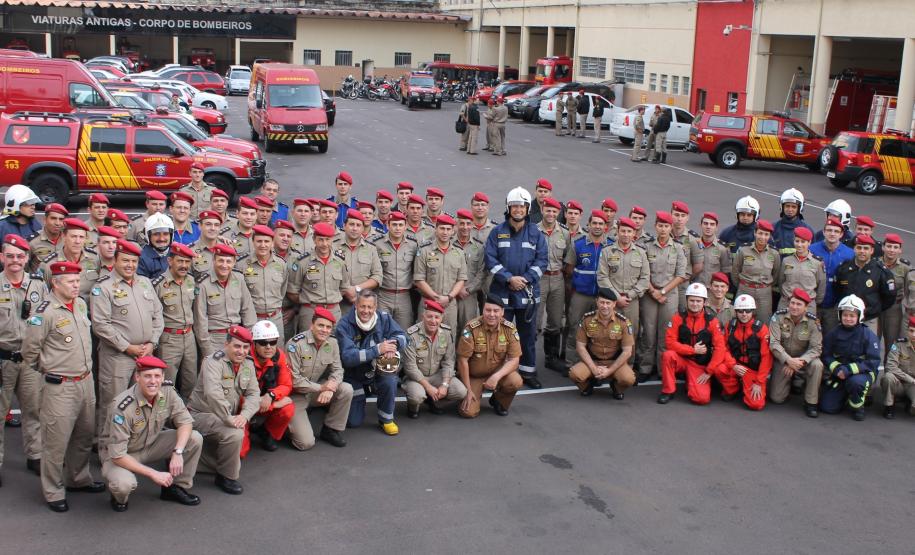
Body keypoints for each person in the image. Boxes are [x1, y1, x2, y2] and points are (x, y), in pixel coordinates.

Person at [22, 261, 103, 512]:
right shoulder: (44, 312)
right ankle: (53, 490)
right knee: (56, 442)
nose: (76, 285)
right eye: (70, 281)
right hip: (60, 386)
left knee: (83, 435)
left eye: (78, 281)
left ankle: (78, 478)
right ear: (55, 283)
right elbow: (29, 352)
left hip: (85, 382)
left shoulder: (79, 304)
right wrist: (49, 370)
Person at [100, 356, 202, 512]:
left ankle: (175, 488)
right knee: (123, 485)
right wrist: (154, 474)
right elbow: (118, 455)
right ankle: (118, 498)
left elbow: (185, 422)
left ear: (162, 378)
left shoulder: (167, 391)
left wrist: (178, 452)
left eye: (157, 376)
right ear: (137, 377)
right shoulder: (122, 407)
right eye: (147, 376)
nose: (152, 381)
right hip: (122, 455)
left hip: (150, 444)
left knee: (194, 438)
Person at [91, 239, 164, 437]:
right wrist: (127, 347)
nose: (130, 265)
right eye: (125, 260)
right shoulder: (103, 287)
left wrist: (152, 342)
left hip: (145, 354)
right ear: (115, 260)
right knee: (113, 403)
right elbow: (100, 325)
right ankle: (107, 448)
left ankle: (132, 447)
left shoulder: (145, 283)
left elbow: (158, 315)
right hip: (118, 357)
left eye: (133, 261)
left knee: (139, 403)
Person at [484, 187, 548, 389]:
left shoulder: (536, 233)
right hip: (502, 293)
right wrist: (509, 278)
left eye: (522, 206)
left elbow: (542, 261)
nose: (518, 210)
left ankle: (528, 372)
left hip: (527, 294)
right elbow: (490, 259)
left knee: (527, 336)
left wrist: (525, 280)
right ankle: (497, 372)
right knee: (499, 336)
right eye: (514, 206)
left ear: (528, 208)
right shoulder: (497, 232)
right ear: (508, 208)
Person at [187, 325, 259, 494]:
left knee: (235, 453)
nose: (241, 351)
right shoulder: (212, 362)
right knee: (235, 434)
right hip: (200, 415)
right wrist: (229, 418)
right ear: (226, 344)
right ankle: (226, 477)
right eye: (237, 346)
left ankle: (188, 459)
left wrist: (245, 415)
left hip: (224, 418)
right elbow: (213, 395)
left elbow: (254, 393)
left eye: (245, 347)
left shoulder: (248, 364)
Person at [0, 234, 45, 482]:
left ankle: (35, 455)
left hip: (29, 360)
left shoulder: (38, 285)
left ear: (26, 258)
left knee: (33, 410)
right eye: (10, 256)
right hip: (2, 359)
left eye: (19, 256)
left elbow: (46, 320)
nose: (15, 261)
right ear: (1, 257)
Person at [336, 290, 407, 434]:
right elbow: (348, 358)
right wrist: (377, 350)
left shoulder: (384, 318)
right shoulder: (344, 324)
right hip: (354, 376)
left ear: (375, 307)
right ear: (356, 305)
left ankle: (386, 420)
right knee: (353, 422)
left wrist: (393, 346)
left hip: (376, 372)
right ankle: (357, 395)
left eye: (369, 307)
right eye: (362, 306)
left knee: (390, 381)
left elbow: (403, 336)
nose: (366, 311)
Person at [285, 308, 351, 449]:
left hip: (315, 391)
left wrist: (331, 386)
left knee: (346, 389)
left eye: (328, 327)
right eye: (321, 325)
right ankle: (288, 425)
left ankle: (330, 429)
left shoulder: (332, 343)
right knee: (305, 443)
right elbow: (294, 380)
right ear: (311, 325)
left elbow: (338, 370)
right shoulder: (295, 344)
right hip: (296, 395)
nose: (324, 330)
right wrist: (322, 388)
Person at [637, 211, 688, 381]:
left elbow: (681, 275)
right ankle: (645, 368)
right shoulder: (646, 246)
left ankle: (662, 369)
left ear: (671, 227)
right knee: (648, 331)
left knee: (666, 333)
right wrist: (653, 292)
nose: (663, 229)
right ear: (655, 226)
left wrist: (663, 292)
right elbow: (643, 272)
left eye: (666, 226)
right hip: (649, 293)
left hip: (669, 294)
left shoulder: (678, 248)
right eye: (660, 226)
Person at [657, 283, 727, 405]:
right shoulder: (677, 318)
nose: (695, 304)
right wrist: (692, 350)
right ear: (687, 301)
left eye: (698, 301)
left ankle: (692, 382)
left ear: (704, 302)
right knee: (668, 355)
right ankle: (668, 390)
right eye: (692, 300)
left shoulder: (712, 321)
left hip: (700, 365)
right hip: (683, 359)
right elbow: (670, 343)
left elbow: (720, 348)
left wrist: (709, 371)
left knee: (701, 399)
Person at [455, 294, 523, 418]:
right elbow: (462, 361)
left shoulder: (509, 329)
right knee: (468, 412)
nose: (492, 314)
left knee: (515, 381)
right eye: (488, 310)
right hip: (474, 376)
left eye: (496, 311)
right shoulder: (471, 328)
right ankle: (471, 393)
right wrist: (468, 390)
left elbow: (514, 360)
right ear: (483, 310)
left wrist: (497, 376)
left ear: (502, 312)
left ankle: (498, 400)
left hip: (497, 373)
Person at [597, 217, 649, 363]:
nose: (626, 234)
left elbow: (645, 278)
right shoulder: (607, 251)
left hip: (631, 302)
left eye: (629, 231)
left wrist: (630, 295)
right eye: (623, 231)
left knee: (631, 333)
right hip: (611, 302)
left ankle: (628, 366)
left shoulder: (641, 253)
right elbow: (602, 276)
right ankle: (606, 365)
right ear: (617, 232)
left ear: (634, 234)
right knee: (607, 333)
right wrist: (616, 297)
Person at [820, 294, 880, 421]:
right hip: (841, 373)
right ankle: (845, 395)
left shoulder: (868, 335)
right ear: (840, 315)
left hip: (862, 373)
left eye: (852, 316)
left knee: (856, 383)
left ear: (859, 316)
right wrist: (837, 369)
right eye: (845, 315)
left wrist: (849, 370)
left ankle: (858, 406)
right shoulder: (834, 333)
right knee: (827, 407)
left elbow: (873, 362)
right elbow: (826, 354)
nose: (848, 318)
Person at [403, 300, 467, 418]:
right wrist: (428, 387)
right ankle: (413, 407)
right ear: (423, 316)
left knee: (461, 391)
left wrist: (444, 384)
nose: (433, 321)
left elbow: (449, 361)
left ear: (441, 318)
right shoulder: (411, 335)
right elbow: (410, 367)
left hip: (436, 375)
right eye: (430, 316)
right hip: (417, 377)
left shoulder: (446, 333)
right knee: (416, 396)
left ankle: (435, 401)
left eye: (437, 317)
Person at [568, 288, 636, 400]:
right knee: (575, 374)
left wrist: (610, 371)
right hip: (593, 360)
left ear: (614, 304)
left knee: (628, 379)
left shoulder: (624, 322)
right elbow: (580, 347)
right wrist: (594, 368)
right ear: (597, 302)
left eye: (608, 303)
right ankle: (588, 386)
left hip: (614, 361)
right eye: (602, 302)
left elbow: (627, 351)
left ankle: (616, 387)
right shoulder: (587, 320)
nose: (605, 306)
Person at [565, 210, 614, 363]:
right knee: (575, 327)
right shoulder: (578, 244)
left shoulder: (612, 245)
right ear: (589, 224)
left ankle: (596, 361)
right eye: (594, 223)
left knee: (599, 330)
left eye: (601, 223)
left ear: (606, 226)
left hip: (603, 297)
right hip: (581, 295)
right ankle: (571, 362)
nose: (597, 226)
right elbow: (569, 269)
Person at [153, 243, 199, 399]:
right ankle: (165, 418)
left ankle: (186, 415)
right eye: (180, 261)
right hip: (169, 339)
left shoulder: (192, 281)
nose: (184, 266)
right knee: (167, 382)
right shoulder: (158, 284)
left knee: (190, 380)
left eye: (187, 262)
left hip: (189, 337)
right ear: (169, 261)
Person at [768, 288, 823, 417]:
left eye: (799, 304)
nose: (794, 307)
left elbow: (816, 348)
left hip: (803, 361)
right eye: (792, 303)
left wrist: (799, 362)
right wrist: (788, 360)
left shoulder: (813, 322)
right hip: (783, 359)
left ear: (806, 307)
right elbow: (773, 343)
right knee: (777, 398)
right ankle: (789, 383)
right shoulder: (778, 317)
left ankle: (811, 402)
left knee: (817, 365)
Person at [193, 243, 256, 357]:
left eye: (228, 261)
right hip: (214, 339)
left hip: (237, 337)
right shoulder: (203, 284)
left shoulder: (239, 279)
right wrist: (207, 350)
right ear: (214, 260)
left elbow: (247, 310)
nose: (224, 265)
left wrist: (249, 339)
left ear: (234, 262)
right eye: (221, 260)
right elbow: (200, 321)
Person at [287, 222, 350, 332]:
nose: (324, 244)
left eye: (327, 239)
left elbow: (344, 287)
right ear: (314, 239)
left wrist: (331, 299)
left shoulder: (340, 261)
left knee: (334, 343)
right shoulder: (302, 261)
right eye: (320, 239)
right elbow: (293, 291)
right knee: (308, 343)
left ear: (332, 239)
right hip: (311, 311)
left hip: (333, 311)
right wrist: (309, 301)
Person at [714, 294, 772, 411]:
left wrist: (759, 382)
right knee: (719, 369)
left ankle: (747, 386)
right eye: (740, 311)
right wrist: (733, 365)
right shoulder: (730, 326)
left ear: (752, 311)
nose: (744, 314)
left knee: (756, 405)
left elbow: (767, 358)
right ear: (736, 311)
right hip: (735, 365)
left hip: (752, 370)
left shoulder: (761, 329)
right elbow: (723, 348)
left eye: (747, 310)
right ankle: (732, 390)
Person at [244, 320, 293, 454]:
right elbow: (238, 397)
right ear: (254, 343)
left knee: (287, 408)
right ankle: (246, 430)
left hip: (266, 399)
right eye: (263, 342)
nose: (268, 347)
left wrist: (271, 395)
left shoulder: (279, 356)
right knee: (241, 452)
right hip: (243, 407)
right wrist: (272, 405)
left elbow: (286, 384)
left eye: (272, 342)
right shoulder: (244, 358)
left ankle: (266, 432)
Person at [834, 234, 895, 334]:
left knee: (869, 348)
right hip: (846, 318)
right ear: (854, 249)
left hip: (869, 319)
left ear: (872, 251)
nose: (862, 251)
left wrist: (874, 309)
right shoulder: (843, 268)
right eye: (859, 248)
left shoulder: (881, 271)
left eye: (866, 248)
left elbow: (889, 297)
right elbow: (837, 290)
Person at [240, 226, 288, 344]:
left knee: (276, 353)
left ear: (272, 243)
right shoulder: (242, 264)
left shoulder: (281, 264)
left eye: (266, 241)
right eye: (259, 241)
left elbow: (283, 290)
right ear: (253, 242)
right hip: (252, 318)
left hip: (275, 317)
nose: (263, 245)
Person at [809, 217, 854, 334]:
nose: (832, 234)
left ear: (841, 234)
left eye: (836, 231)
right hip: (812, 304)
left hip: (834, 307)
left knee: (830, 339)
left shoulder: (849, 254)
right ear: (823, 232)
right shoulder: (812, 250)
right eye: (829, 230)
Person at [373, 211, 417, 331]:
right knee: (380, 331)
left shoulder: (413, 245)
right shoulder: (377, 244)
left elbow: (416, 269)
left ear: (405, 226)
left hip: (404, 297)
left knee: (404, 332)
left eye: (400, 225)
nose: (397, 228)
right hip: (383, 295)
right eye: (394, 225)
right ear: (388, 225)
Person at [38, 218, 100, 300]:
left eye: (81, 237)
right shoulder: (49, 265)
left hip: (89, 310)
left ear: (85, 239)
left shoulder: (94, 258)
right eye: (73, 236)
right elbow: (42, 294)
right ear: (63, 237)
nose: (77, 241)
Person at [334, 209, 381, 316]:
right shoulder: (333, 246)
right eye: (351, 224)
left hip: (364, 305)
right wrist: (347, 291)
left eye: (358, 225)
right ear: (344, 226)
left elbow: (377, 276)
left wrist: (356, 289)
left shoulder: (371, 249)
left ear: (363, 228)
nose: (354, 228)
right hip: (339, 304)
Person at [732, 218, 780, 322]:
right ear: (755, 233)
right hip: (745, 289)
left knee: (763, 322)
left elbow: (776, 275)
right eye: (760, 233)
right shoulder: (743, 250)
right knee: (741, 320)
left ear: (770, 236)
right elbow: (735, 272)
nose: (763, 237)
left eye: (766, 234)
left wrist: (765, 286)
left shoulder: (774, 254)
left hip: (764, 294)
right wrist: (743, 285)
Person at [775, 227, 826, 311]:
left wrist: (812, 302)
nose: (799, 245)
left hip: (807, 305)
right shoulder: (786, 260)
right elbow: (781, 281)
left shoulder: (817, 263)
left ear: (809, 242)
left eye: (803, 242)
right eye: (797, 241)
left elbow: (821, 286)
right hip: (786, 303)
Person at [453, 209, 485, 333]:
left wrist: (468, 289)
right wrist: (454, 291)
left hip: (468, 295)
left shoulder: (479, 247)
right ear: (456, 224)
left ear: (472, 225)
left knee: (467, 331)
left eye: (468, 223)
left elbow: (482, 272)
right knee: (448, 329)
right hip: (450, 294)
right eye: (461, 223)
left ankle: (464, 353)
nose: (465, 227)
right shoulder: (448, 243)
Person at [879, 233, 909, 358]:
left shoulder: (905, 268)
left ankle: (889, 375)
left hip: (894, 310)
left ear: (900, 250)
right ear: (883, 247)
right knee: (871, 342)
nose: (891, 250)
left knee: (892, 345)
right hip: (876, 307)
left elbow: (909, 291)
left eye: (895, 247)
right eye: (889, 246)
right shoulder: (875, 264)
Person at [881, 317, 915, 419]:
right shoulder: (899, 344)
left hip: (913, 386)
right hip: (899, 382)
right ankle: (889, 406)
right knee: (888, 377)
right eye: (911, 330)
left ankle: (910, 401)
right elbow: (890, 366)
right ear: (907, 330)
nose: (913, 335)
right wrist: (911, 380)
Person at [689, 211, 732, 288]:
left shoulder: (722, 248)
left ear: (716, 227)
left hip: (712, 290)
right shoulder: (693, 244)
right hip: (694, 288)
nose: (708, 227)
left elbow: (725, 273)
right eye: (705, 223)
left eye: (712, 224)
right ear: (700, 225)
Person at [772, 188, 813, 258]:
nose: (790, 210)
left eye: (794, 207)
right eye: (787, 206)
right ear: (782, 207)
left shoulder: (807, 229)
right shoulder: (773, 227)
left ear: (799, 208)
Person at [28, 203, 68, 270]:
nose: (57, 223)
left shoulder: (68, 239)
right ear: (45, 220)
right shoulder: (32, 242)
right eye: (53, 218)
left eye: (61, 219)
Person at [137, 213, 174, 280]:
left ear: (171, 236)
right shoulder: (141, 259)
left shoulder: (177, 254)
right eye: (156, 234)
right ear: (148, 236)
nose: (161, 238)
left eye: (165, 234)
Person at [189, 210, 224, 279]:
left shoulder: (228, 248)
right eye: (208, 224)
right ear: (199, 226)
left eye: (216, 225)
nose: (213, 228)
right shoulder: (190, 251)